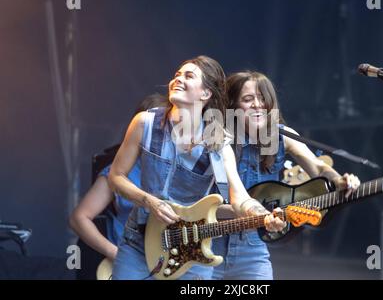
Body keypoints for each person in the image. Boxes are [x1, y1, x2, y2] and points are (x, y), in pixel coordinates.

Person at [108, 56, 285, 280]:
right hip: (139, 242)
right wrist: (148, 201)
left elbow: (239, 197)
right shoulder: (145, 123)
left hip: (190, 250)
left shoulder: (219, 142)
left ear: (206, 94)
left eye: (189, 76)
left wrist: (263, 215)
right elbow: (116, 176)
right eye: (177, 75)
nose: (178, 80)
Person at [212, 71, 361, 280]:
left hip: (252, 249)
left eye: (263, 98)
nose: (257, 105)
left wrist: (339, 180)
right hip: (210, 243)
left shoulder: (282, 136)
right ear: (232, 107)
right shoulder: (217, 141)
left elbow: (318, 168)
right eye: (248, 99)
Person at [69, 95, 163, 265]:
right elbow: (79, 218)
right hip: (130, 263)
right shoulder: (117, 172)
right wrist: (116, 254)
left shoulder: (181, 172)